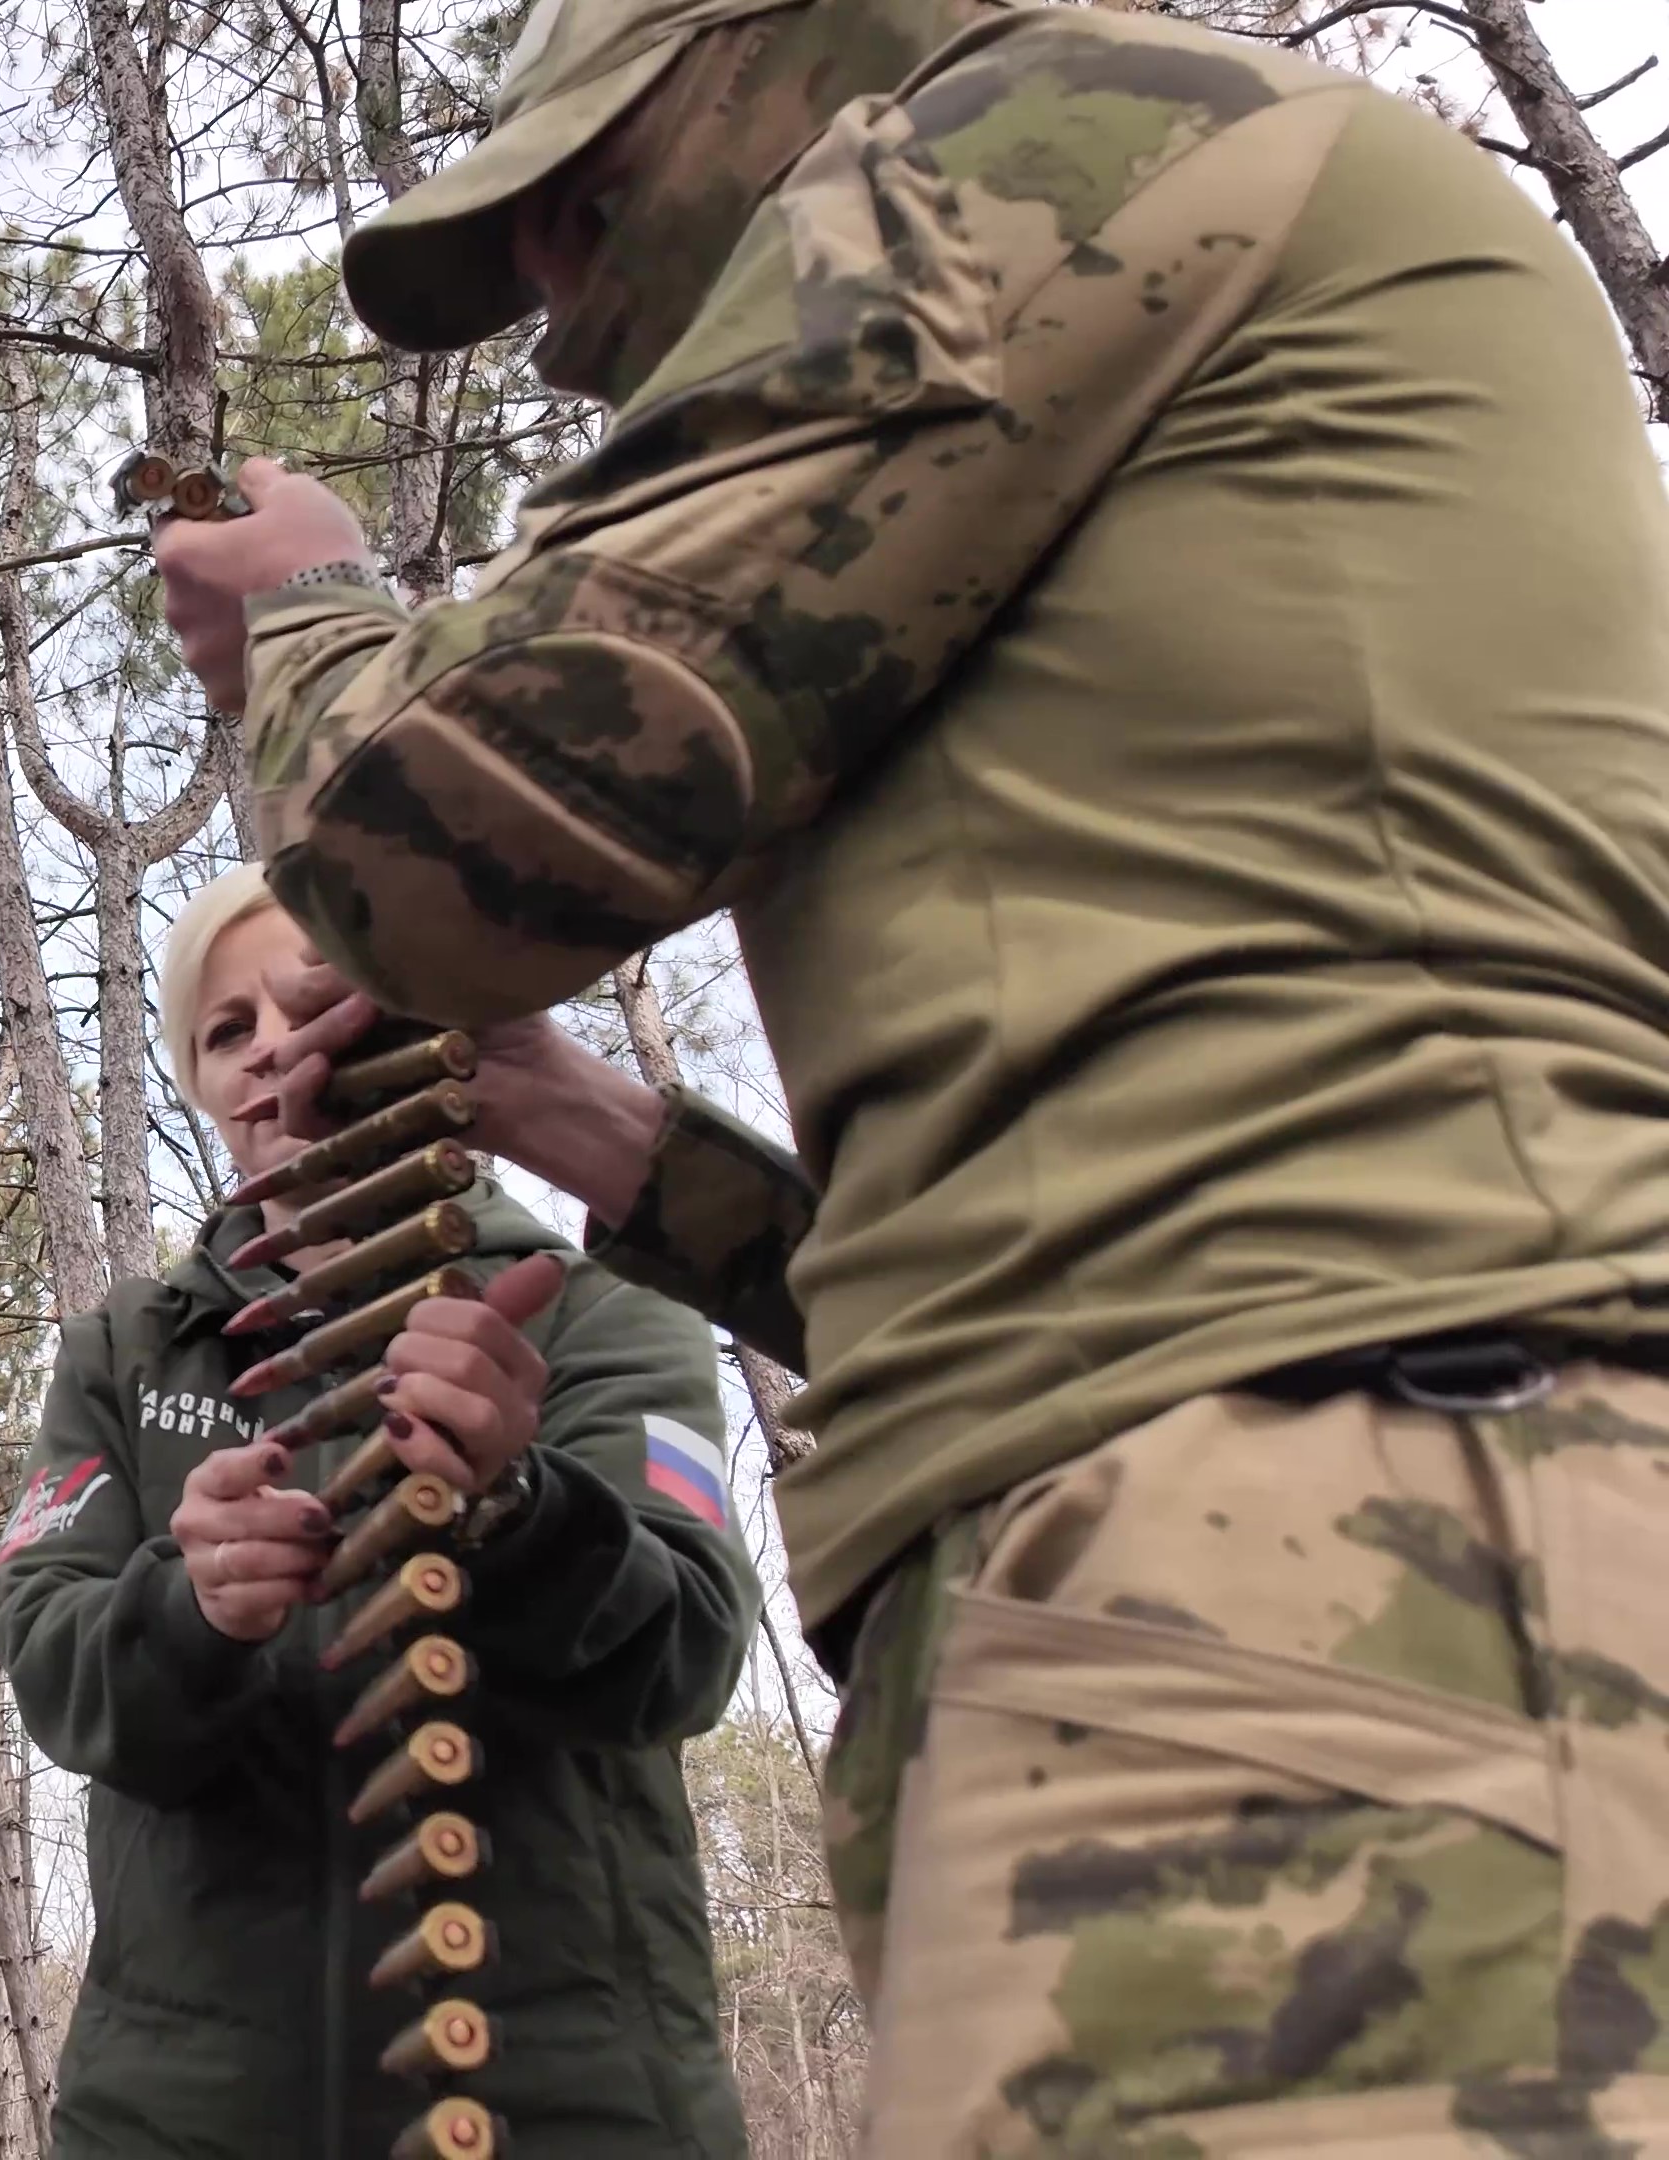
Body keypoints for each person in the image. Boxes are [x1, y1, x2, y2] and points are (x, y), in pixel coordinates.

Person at [150, 0, 1669, 2144]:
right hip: (1247, 1545)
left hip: (1342, 1550)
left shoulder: (1053, 139)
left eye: (593, 207)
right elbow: (1091, 1159)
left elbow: (443, 842)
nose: (565, 330)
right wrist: (615, 1144)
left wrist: (302, 623)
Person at [0, 865, 759, 2160]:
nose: (275, 1047)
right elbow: (53, 1662)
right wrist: (191, 1607)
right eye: (228, 1031)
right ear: (209, 1096)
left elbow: (686, 1650)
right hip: (186, 2122)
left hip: (575, 2114)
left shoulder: (604, 1311)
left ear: (411, 1033)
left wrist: (516, 1511)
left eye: (314, 1004)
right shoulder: (124, 1353)